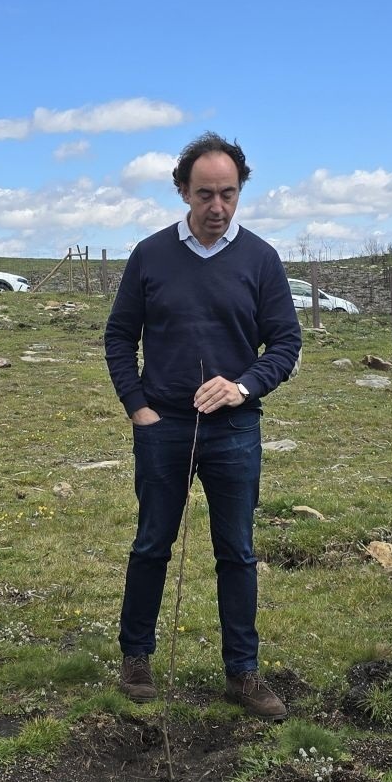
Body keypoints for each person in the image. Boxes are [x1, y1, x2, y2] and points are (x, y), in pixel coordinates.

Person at [105, 132, 302, 719]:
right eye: (205, 195)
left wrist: (242, 385)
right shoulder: (150, 254)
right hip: (162, 425)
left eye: (229, 194)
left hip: (235, 431)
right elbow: (119, 335)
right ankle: (136, 656)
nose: (217, 208)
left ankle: (242, 673)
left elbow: (286, 342)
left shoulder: (261, 259)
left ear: (241, 190)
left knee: (236, 551)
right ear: (182, 192)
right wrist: (138, 406)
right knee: (152, 544)